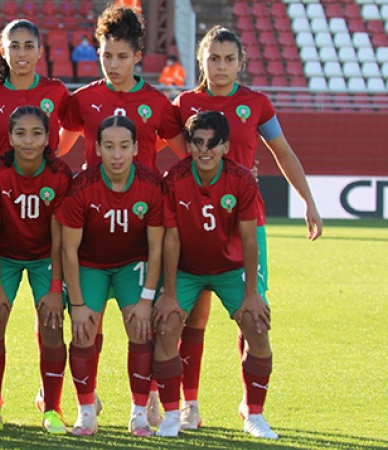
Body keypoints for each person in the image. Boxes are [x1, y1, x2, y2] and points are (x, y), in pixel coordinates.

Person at [167, 26, 323, 430]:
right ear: (201, 59)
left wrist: (308, 201)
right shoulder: (184, 103)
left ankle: (251, 409)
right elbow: (164, 153)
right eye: (213, 58)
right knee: (193, 318)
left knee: (251, 313)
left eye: (228, 59)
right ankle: (190, 405)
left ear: (241, 62)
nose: (220, 66)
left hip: (244, 224)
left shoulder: (256, 104)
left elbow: (283, 153)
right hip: (194, 224)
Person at [155, 111, 277, 439]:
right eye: (198, 142)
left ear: (225, 146)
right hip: (187, 271)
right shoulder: (175, 178)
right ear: (190, 145)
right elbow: (172, 238)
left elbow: (250, 240)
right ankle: (171, 415)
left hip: (230, 269)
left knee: (257, 324)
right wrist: (167, 293)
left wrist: (252, 293)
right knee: (165, 327)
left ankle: (254, 414)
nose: (205, 149)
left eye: (212, 143)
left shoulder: (241, 180)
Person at [56, 115, 163, 436]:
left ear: (136, 149)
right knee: (83, 330)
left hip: (133, 263)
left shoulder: (150, 185)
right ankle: (86, 411)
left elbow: (157, 248)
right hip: (91, 264)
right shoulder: (83, 187)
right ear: (97, 149)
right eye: (109, 147)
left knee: (141, 329)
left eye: (124, 147)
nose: (117, 154)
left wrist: (146, 299)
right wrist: (76, 304)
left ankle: (139, 414)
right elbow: (69, 250)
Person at [0, 106, 72, 434]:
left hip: (46, 256)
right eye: (20, 134)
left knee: (53, 325)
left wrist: (56, 287)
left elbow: (60, 234)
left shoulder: (59, 174)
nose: (28, 141)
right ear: (10, 138)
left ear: (48, 138)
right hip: (4, 257)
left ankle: (52, 408)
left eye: (36, 134)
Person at [61, 6, 184, 171]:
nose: (113, 65)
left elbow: (187, 154)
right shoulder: (82, 98)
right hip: (97, 195)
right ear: (98, 53)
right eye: (107, 56)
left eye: (122, 57)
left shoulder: (158, 102)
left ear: (137, 57)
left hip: (143, 195)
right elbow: (58, 149)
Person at [0, 19, 72, 165]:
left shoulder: (56, 91)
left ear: (39, 51)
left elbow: (76, 124)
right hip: (2, 184)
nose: (22, 53)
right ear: (3, 51)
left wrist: (58, 150)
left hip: (46, 184)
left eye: (29, 46)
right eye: (14, 46)